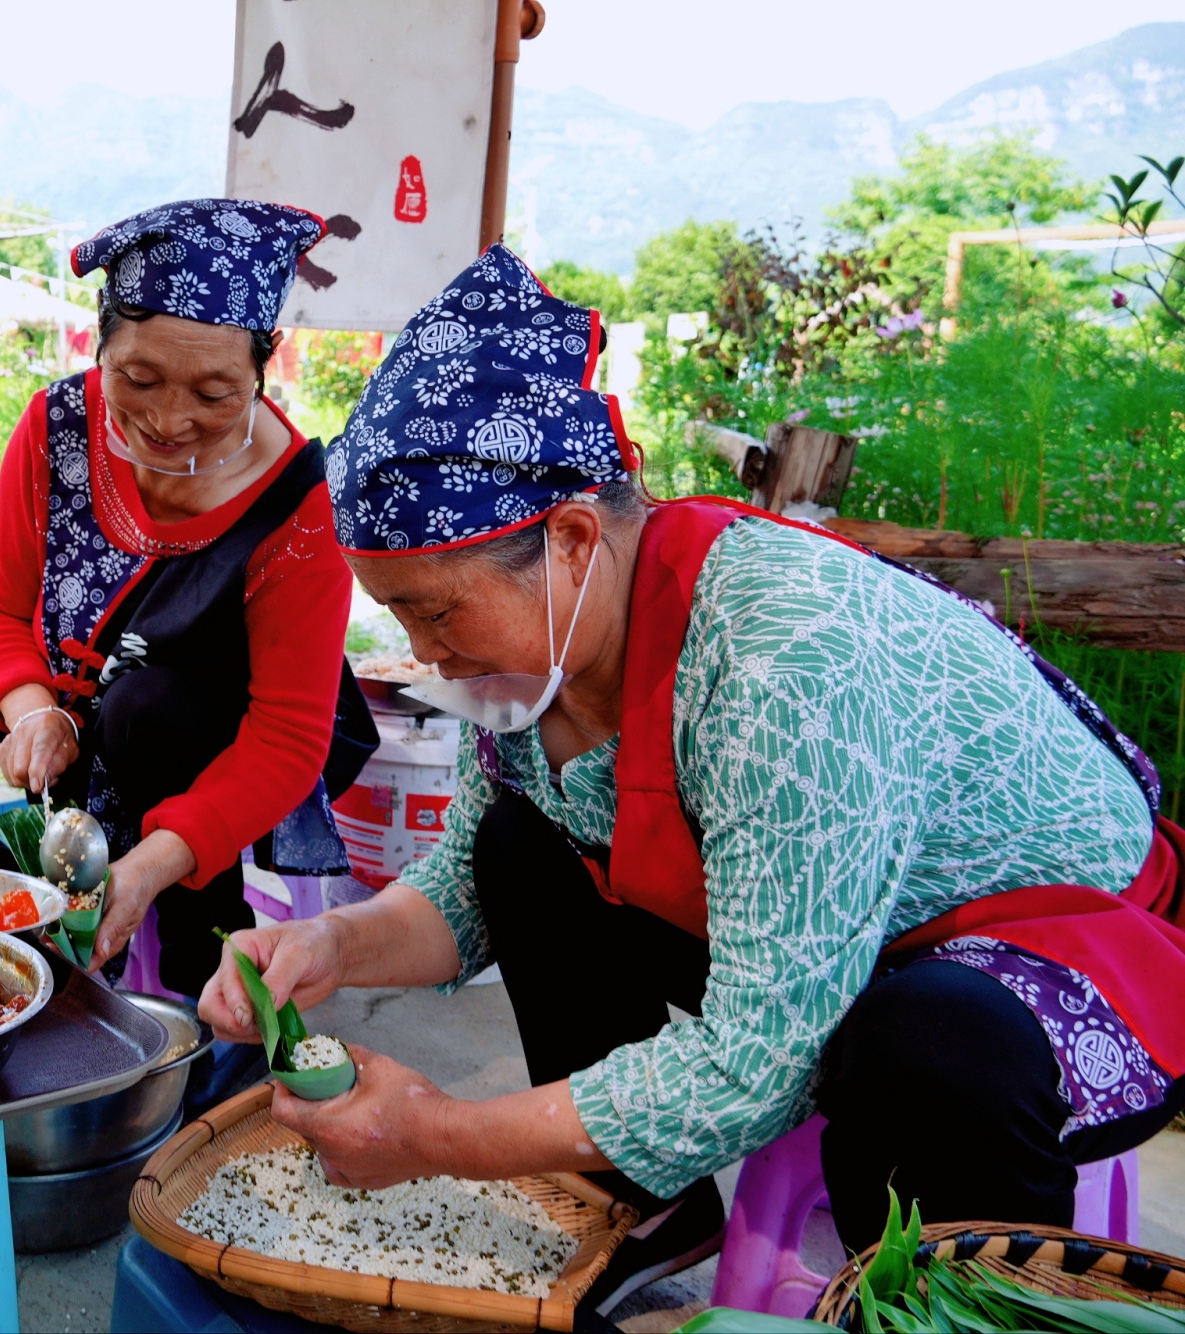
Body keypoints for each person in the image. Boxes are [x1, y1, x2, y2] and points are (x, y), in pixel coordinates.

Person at [199, 245, 1185, 1316]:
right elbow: (471, 888)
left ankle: (958, 1301)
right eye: (394, 615)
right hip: (819, 917)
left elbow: (753, 1056)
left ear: (571, 538)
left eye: (436, 610)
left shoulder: (784, 662)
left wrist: (434, 1134)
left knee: (927, 1041)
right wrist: (329, 945)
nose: (425, 653)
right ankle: (640, 1197)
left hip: (1051, 939)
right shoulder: (552, 656)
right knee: (520, 848)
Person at [0, 199, 375, 1000]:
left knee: (148, 707)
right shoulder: (59, 425)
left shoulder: (300, 504)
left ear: (263, 366)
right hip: (68, 707)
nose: (169, 421)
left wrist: (158, 857)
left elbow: (288, 736)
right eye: (139, 378)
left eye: (214, 393)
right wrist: (31, 712)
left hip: (195, 746)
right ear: (100, 347)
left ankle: (203, 951)